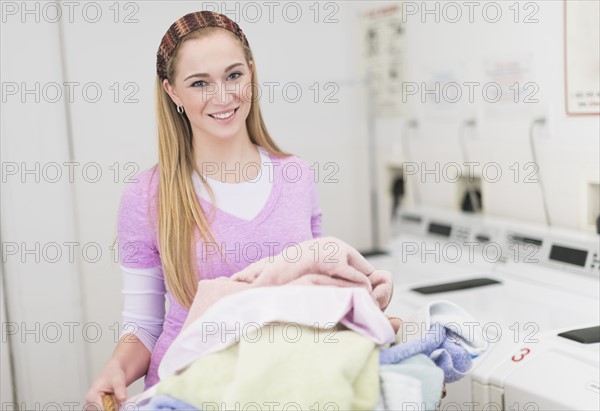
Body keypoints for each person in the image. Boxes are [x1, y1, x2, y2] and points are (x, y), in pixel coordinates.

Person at [84, 11, 322, 410]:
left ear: (251, 72)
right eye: (199, 83)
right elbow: (144, 326)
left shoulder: (297, 174)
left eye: (233, 76)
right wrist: (115, 370)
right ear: (173, 92)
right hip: (188, 393)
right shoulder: (146, 196)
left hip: (286, 390)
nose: (223, 96)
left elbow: (319, 293)